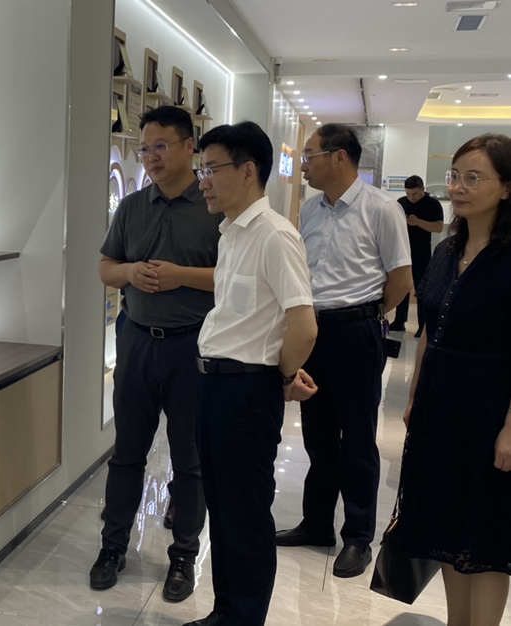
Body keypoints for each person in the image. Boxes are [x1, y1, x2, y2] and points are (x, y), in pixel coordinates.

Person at [181, 122, 317, 626]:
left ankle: (243, 619)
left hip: (245, 389)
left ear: (247, 171)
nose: (203, 181)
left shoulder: (275, 235)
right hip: (216, 384)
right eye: (202, 170)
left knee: (246, 515)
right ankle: (226, 612)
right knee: (222, 508)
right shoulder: (232, 233)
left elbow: (304, 326)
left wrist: (281, 377)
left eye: (212, 169)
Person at [91, 105, 220, 602]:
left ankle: (183, 557)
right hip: (137, 340)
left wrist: (180, 276)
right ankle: (112, 548)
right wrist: (129, 273)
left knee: (190, 459)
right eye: (145, 149)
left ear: (190, 146)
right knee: (127, 453)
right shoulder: (131, 207)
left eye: (161, 146)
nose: (151, 157)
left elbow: (233, 277)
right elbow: (106, 266)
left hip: (194, 345)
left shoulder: (214, 206)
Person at [275, 123, 412, 579]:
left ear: (339, 157)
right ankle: (316, 524)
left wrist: (365, 316)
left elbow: (401, 280)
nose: (304, 165)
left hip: (356, 333)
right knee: (317, 435)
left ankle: (357, 536)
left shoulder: (382, 209)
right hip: (313, 332)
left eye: (309, 155)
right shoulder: (310, 210)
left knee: (356, 436)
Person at [398, 134, 511, 626]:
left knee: (485, 536)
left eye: (473, 177)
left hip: (490, 406)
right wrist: (415, 396)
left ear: (506, 188)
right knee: (445, 524)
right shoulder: (448, 250)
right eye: (455, 176)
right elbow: (429, 330)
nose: (458, 187)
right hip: (441, 404)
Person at [390, 175, 444, 337]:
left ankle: (423, 325)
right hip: (402, 249)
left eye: (415, 194)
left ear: (422, 190)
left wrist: (418, 222)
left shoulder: (432, 204)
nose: (411, 197)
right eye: (408, 194)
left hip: (421, 251)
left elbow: (438, 227)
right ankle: (399, 321)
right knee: (401, 285)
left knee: (421, 289)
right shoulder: (401, 203)